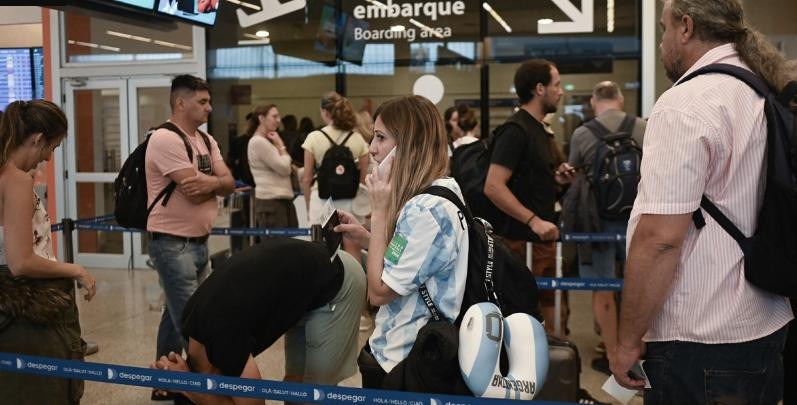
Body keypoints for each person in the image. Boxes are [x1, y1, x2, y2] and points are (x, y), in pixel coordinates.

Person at [610, 1, 793, 403]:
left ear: (686, 27)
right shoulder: (761, 90)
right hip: (765, 322)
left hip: (699, 340)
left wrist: (626, 341)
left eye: (663, 29)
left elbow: (659, 239)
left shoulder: (687, 104)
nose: (661, 43)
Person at [333, 95, 469, 388]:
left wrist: (380, 212)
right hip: (406, 351)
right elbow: (416, 259)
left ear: (408, 144)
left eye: (381, 138)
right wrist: (369, 237)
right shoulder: (444, 190)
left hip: (405, 358)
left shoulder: (425, 209)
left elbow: (379, 292)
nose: (372, 149)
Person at [152, 238, 366, 405]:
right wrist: (184, 381)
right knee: (294, 392)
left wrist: (190, 388)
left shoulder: (222, 342)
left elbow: (253, 402)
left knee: (315, 397)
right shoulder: (193, 325)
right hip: (308, 282)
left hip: (340, 281)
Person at [0, 100, 97, 404]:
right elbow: (21, 261)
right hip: (27, 310)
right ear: (37, 139)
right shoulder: (16, 179)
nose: (48, 158)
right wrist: (76, 270)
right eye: (51, 148)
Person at [145, 74, 234, 401]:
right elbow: (195, 192)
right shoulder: (165, 139)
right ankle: (199, 390)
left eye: (209, 101)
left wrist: (212, 183)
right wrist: (217, 184)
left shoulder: (207, 141)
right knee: (194, 320)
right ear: (180, 102)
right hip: (171, 243)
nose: (209, 107)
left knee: (175, 313)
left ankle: (164, 380)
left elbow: (230, 181)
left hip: (198, 242)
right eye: (202, 102)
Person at [483, 59, 574, 335]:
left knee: (552, 311)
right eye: (556, 85)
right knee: (527, 317)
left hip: (542, 241)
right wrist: (533, 220)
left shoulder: (540, 130)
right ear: (539, 89)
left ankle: (553, 368)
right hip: (522, 243)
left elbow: (527, 179)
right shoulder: (516, 130)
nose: (561, 91)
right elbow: (494, 186)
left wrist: (556, 179)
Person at [567, 81, 646, 374]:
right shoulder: (642, 127)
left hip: (596, 223)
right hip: (638, 221)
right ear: (621, 99)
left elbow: (574, 175)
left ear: (593, 101)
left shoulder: (581, 133)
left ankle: (613, 357)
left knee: (602, 289)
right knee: (638, 285)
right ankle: (639, 351)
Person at [301, 92, 369, 260]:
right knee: (352, 248)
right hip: (350, 201)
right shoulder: (358, 139)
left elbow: (307, 177)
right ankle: (357, 284)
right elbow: (363, 177)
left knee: (319, 250)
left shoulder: (314, 137)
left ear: (325, 112)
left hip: (321, 200)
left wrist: (309, 205)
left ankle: (323, 285)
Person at [246, 103, 298, 231]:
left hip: (280, 200)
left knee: (289, 244)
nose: (279, 120)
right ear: (261, 119)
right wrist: (281, 145)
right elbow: (285, 168)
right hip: (271, 202)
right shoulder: (258, 142)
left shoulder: (266, 141)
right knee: (276, 247)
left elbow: (286, 166)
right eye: (274, 116)